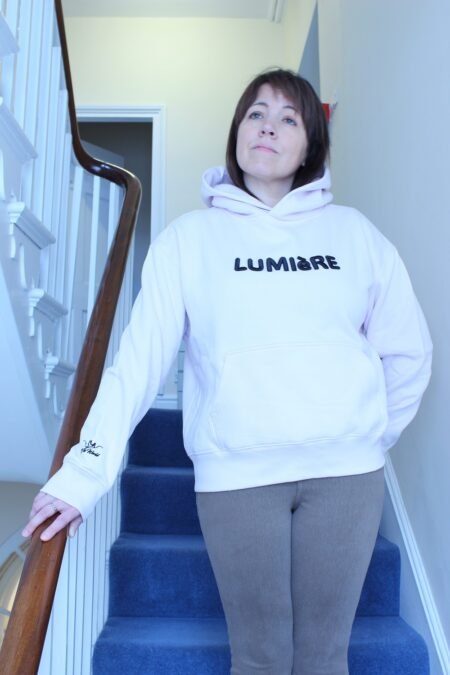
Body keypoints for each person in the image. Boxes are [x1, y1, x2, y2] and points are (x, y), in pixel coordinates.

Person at [23, 68, 432, 675]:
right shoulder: (188, 240)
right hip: (236, 481)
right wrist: (84, 474)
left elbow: (409, 352)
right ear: (237, 132)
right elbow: (138, 361)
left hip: (347, 478)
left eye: (288, 118)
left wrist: (366, 434)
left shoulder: (356, 235)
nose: (268, 126)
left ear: (310, 146)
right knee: (259, 658)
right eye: (255, 114)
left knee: (325, 658)